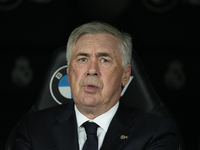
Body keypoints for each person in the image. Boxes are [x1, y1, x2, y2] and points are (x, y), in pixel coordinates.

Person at [13, 22, 179, 150]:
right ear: (69, 73)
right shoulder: (33, 129)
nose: (92, 70)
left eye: (104, 60)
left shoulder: (156, 132)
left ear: (125, 75)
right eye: (82, 59)